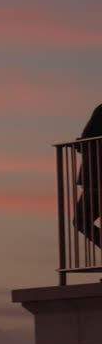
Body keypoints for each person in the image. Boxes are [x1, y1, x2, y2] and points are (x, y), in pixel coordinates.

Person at [74, 104, 102, 248]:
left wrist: (81, 144)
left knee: (80, 220)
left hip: (96, 179)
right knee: (81, 221)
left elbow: (88, 138)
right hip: (94, 177)